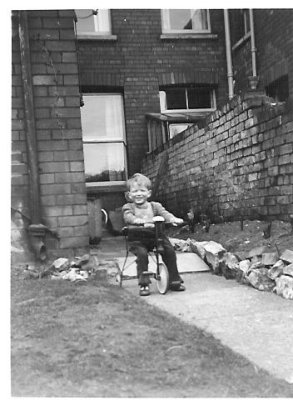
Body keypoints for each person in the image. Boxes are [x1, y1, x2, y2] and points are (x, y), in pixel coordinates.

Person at [122, 173, 186, 296]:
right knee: (142, 255)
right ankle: (144, 283)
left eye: (142, 190)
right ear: (129, 195)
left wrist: (173, 219)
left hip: (156, 235)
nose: (139, 194)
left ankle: (174, 279)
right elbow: (128, 216)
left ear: (148, 193)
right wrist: (136, 221)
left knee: (169, 251)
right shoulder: (128, 207)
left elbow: (165, 213)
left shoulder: (155, 206)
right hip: (137, 238)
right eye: (135, 191)